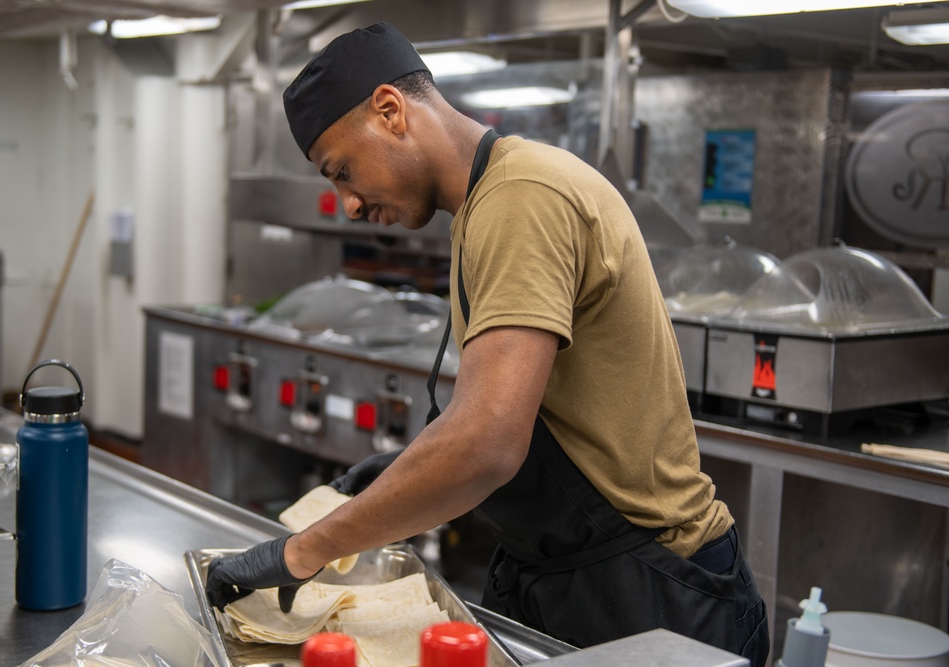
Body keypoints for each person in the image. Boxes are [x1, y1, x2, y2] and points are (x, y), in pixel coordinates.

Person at [205, 22, 769, 665]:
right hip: (571, 575)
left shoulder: (521, 196)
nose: (350, 205)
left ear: (390, 111)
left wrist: (304, 550)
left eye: (343, 171)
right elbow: (525, 416)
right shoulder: (486, 201)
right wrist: (397, 474)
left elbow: (488, 442)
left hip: (654, 589)